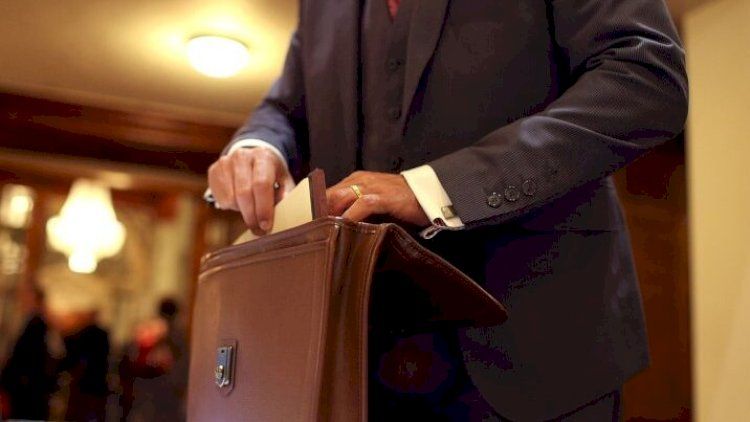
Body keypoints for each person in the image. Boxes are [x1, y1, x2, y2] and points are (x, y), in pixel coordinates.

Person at [206, 0, 688, 419]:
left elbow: (644, 77)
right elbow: (285, 108)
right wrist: (258, 145)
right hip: (356, 361)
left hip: (541, 352)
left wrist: (433, 188)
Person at [0, 287, 57, 421]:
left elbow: (27, 358)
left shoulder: (37, 324)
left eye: (26, 297)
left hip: (27, 389)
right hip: (26, 389)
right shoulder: (32, 321)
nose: (21, 301)